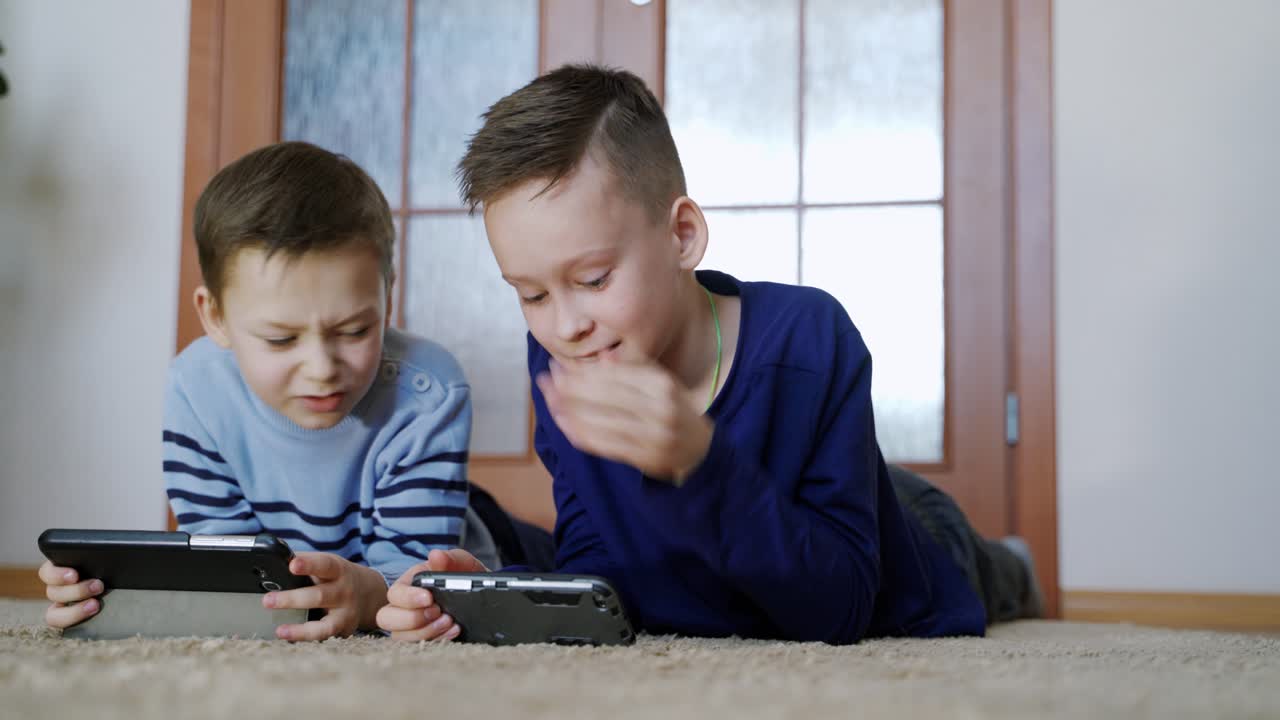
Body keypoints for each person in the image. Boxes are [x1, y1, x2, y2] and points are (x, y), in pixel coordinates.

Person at [377, 65, 1042, 645]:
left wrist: (698, 463)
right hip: (806, 512)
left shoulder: (809, 339)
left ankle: (1012, 561)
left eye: (594, 280)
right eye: (530, 294)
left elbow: (841, 611)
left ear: (684, 236)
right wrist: (498, 592)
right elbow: (601, 562)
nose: (565, 324)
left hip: (903, 537)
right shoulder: (564, 351)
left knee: (979, 563)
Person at [38, 141, 552, 641]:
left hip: (461, 537)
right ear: (215, 317)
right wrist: (111, 596)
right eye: (281, 339)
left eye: (353, 331)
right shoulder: (197, 389)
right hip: (318, 558)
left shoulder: (428, 390)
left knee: (557, 578)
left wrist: (370, 596)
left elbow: (416, 576)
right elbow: (225, 557)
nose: (322, 369)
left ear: (386, 297)